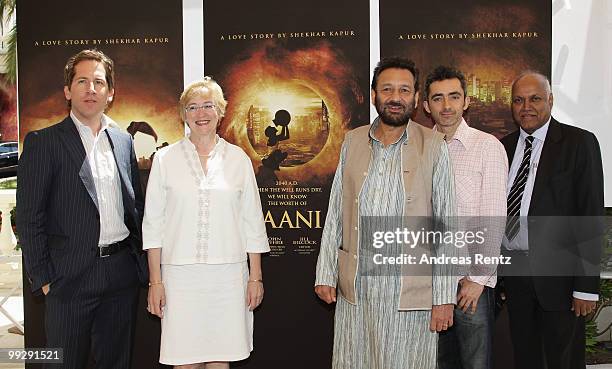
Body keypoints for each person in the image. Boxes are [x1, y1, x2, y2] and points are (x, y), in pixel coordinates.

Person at [314, 57, 457, 369]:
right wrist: (326, 273)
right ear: (374, 95)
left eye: (404, 90)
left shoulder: (433, 145)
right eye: (388, 89)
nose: (396, 97)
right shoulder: (352, 141)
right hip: (358, 288)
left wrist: (444, 297)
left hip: (409, 292)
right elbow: (337, 210)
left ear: (417, 98)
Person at [17, 49, 148, 369]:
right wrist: (45, 278)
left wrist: (140, 265)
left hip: (120, 276)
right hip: (67, 279)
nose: (91, 89)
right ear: (67, 90)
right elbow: (29, 217)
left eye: (99, 82)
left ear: (110, 93)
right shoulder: (43, 143)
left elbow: (136, 207)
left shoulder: (123, 141)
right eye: (82, 81)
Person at [143, 77, 270, 369]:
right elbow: (153, 226)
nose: (201, 114)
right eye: (192, 107)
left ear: (221, 111)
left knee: (219, 361)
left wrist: (255, 277)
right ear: (183, 114)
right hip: (179, 279)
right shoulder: (164, 160)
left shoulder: (238, 159)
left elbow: (252, 222)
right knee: (184, 362)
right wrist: (156, 281)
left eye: (208, 106)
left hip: (228, 278)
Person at [500, 72, 604, 369]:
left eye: (535, 99)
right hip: (516, 278)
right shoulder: (504, 147)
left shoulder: (579, 143)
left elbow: (590, 215)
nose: (526, 107)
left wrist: (585, 287)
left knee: (564, 361)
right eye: (519, 100)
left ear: (550, 100)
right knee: (525, 357)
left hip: (561, 281)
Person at [423, 66, 508, 369]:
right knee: (434, 363)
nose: (446, 106)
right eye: (438, 98)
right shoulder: (417, 149)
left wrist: (477, 279)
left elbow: (494, 217)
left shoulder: (487, 147)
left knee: (474, 364)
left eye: (454, 97)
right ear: (426, 105)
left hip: (468, 283)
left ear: (466, 101)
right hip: (427, 282)